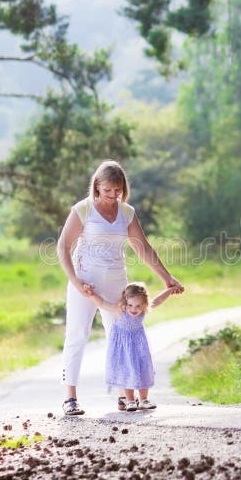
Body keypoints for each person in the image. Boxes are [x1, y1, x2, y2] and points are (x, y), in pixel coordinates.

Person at [57, 160, 183, 416]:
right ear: (97, 186)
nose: (113, 196)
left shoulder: (126, 212)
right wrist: (75, 280)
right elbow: (62, 247)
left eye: (118, 191)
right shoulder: (83, 210)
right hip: (85, 281)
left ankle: (124, 396)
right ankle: (70, 398)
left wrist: (166, 277)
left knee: (120, 335)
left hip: (117, 281)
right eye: (108, 191)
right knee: (77, 335)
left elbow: (143, 248)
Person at [88, 282, 180, 411]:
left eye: (138, 306)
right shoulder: (119, 310)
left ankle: (144, 400)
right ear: (125, 302)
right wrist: (91, 294)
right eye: (130, 305)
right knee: (127, 371)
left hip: (139, 346)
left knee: (143, 370)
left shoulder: (143, 311)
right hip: (123, 348)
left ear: (144, 304)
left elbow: (158, 300)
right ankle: (130, 401)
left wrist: (170, 291)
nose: (133, 309)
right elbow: (102, 303)